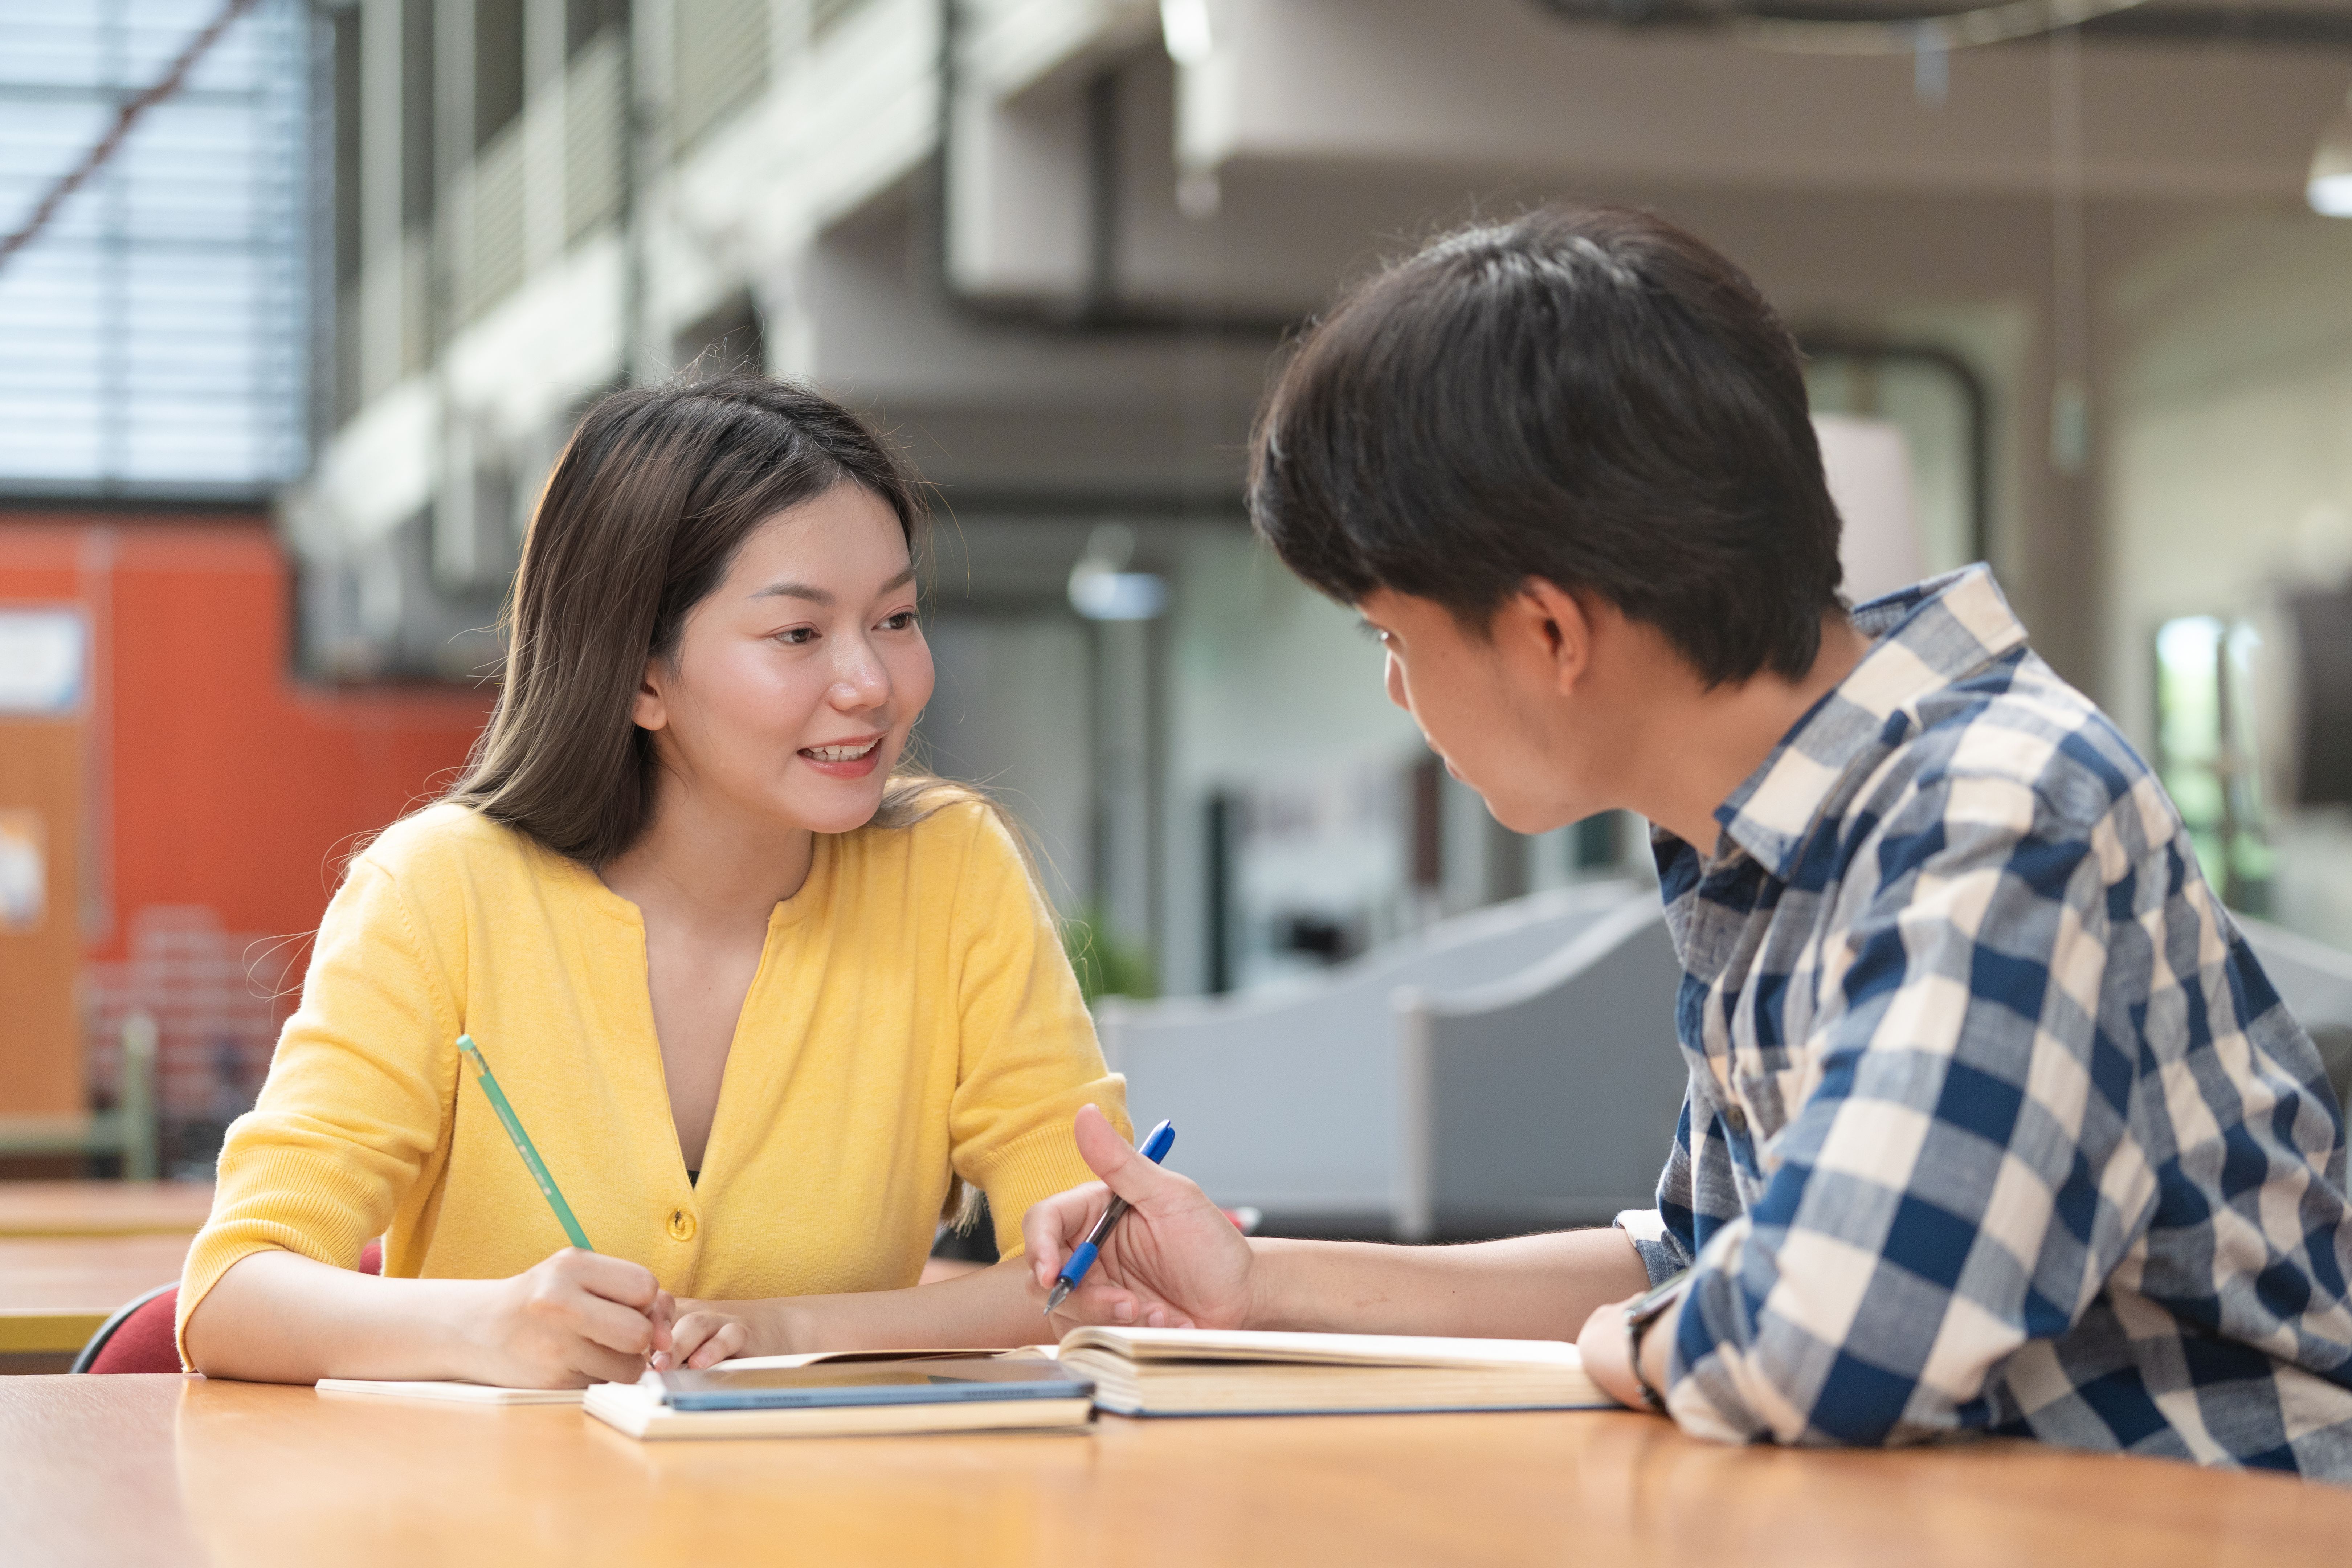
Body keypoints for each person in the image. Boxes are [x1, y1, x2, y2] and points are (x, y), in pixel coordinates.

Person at [1022, 206, 2352, 1477]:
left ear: (1550, 635)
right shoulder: (1767, 846)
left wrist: (1646, 1337)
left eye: (1390, 637)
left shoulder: (1997, 817)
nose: (1392, 693)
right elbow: (1702, 1265)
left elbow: (1819, 1342)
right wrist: (1259, 1283)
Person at [180, 376, 1129, 1387]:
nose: (872, 683)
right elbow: (234, 1291)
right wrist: (489, 1328)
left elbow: (1095, 1265)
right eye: (799, 634)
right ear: (640, 674)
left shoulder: (950, 871)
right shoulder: (438, 895)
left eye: (895, 618)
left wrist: (793, 1330)